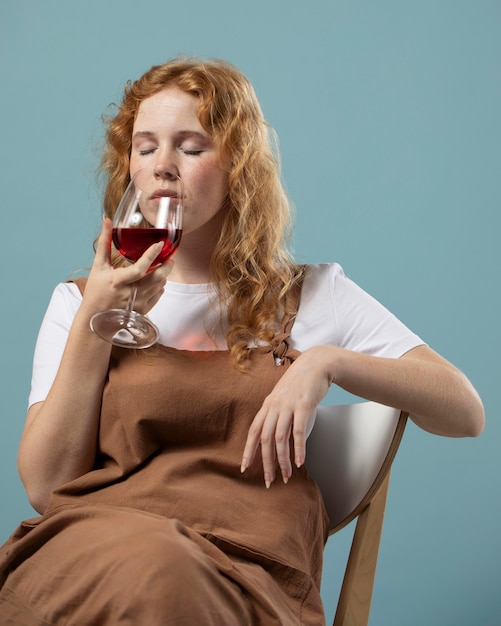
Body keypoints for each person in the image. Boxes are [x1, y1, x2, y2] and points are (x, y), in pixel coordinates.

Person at [0, 57, 484, 625]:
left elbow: (464, 410)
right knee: (153, 565)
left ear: (239, 166)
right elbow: (47, 486)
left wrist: (325, 363)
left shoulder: (312, 296)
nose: (163, 167)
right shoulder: (81, 301)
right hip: (95, 557)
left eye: (191, 147)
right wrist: (96, 321)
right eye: (146, 147)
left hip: (243, 577)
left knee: (167, 573)